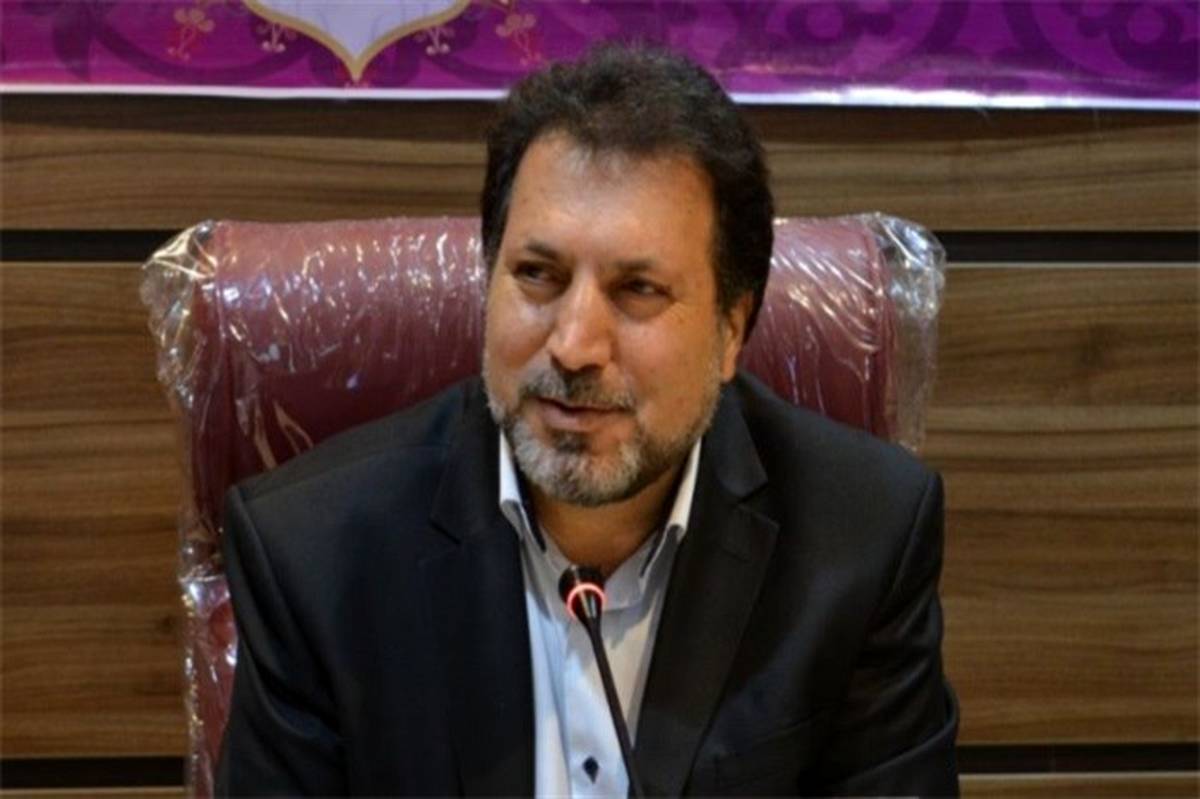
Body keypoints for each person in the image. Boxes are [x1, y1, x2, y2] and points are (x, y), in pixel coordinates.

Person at [215, 43, 958, 797]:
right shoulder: (316, 560)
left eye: (638, 289)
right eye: (538, 275)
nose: (573, 346)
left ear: (732, 329)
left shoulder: (860, 543)